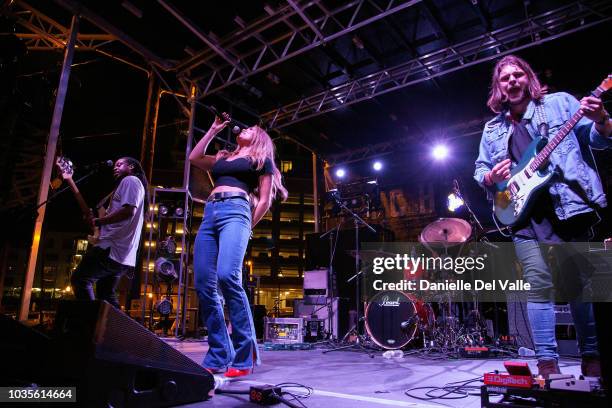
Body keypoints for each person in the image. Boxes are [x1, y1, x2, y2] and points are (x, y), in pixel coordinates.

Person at [474, 55, 611, 377]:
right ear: (499, 88)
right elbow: (479, 170)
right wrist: (492, 177)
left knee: (578, 285)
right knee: (538, 286)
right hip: (523, 216)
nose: (512, 80)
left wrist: (603, 116)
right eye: (504, 77)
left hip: (568, 207)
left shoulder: (561, 105)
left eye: (518, 74)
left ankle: (591, 358)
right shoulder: (492, 129)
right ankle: (547, 364)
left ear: (528, 78)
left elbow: (598, 138)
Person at [189, 114, 288, 378]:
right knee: (202, 282)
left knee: (227, 276)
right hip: (210, 213)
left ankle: (245, 354)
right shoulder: (223, 157)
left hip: (237, 211)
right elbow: (195, 158)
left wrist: (247, 225)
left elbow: (265, 200)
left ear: (259, 138)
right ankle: (219, 352)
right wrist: (212, 129)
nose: (245, 128)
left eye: (252, 128)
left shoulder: (261, 160)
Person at [68, 157, 148, 309]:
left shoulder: (130, 180)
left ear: (131, 166)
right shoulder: (128, 185)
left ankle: (91, 325)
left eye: (120, 164)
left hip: (111, 249)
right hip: (122, 256)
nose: (115, 167)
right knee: (106, 293)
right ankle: (118, 330)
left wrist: (99, 222)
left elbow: (128, 211)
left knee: (80, 279)